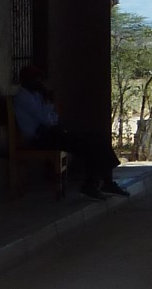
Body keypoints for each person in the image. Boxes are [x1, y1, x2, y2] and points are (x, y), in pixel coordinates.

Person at [13, 65, 126, 200]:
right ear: (25, 80)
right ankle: (92, 184)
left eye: (39, 78)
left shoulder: (37, 95)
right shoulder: (24, 97)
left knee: (97, 138)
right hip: (39, 138)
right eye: (34, 78)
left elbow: (53, 118)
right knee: (89, 144)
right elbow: (45, 119)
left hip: (52, 133)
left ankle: (106, 182)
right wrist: (49, 103)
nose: (38, 81)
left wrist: (50, 110)